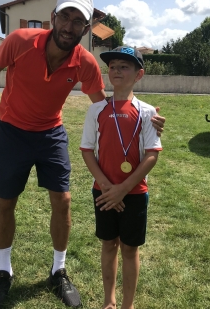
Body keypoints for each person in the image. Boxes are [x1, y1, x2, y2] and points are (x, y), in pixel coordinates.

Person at [0, 0, 165, 309]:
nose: (69, 26)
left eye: (78, 22)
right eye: (65, 17)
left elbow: (106, 107)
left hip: (51, 133)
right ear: (53, 18)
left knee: (63, 200)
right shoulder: (19, 42)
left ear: (85, 29)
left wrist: (147, 117)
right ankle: (4, 273)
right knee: (5, 202)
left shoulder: (84, 63)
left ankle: (58, 270)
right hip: (11, 131)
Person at [80, 46, 162, 309]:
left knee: (129, 249)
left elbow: (151, 155)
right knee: (108, 244)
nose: (116, 70)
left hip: (134, 194)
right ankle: (109, 301)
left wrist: (123, 189)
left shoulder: (148, 112)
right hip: (103, 192)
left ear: (139, 74)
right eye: (112, 66)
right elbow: (86, 150)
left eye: (124, 66)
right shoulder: (96, 110)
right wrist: (107, 187)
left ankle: (127, 304)